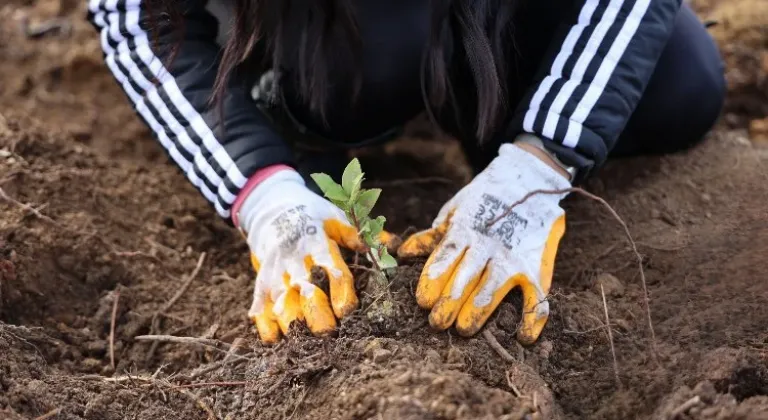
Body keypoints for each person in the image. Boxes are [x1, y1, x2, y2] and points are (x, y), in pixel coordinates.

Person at [87, 0, 725, 345]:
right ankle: (293, 107)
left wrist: (540, 160)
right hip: (314, 33)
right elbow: (130, 13)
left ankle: (484, 97)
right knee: (365, 60)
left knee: (678, 85)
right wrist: (264, 192)